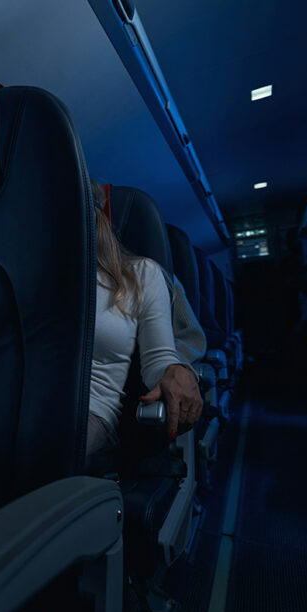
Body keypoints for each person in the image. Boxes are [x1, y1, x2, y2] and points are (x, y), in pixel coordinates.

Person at [86, 181, 203, 474]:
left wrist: (177, 369)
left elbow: (160, 357)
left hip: (91, 416)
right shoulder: (31, 273)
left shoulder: (140, 275)